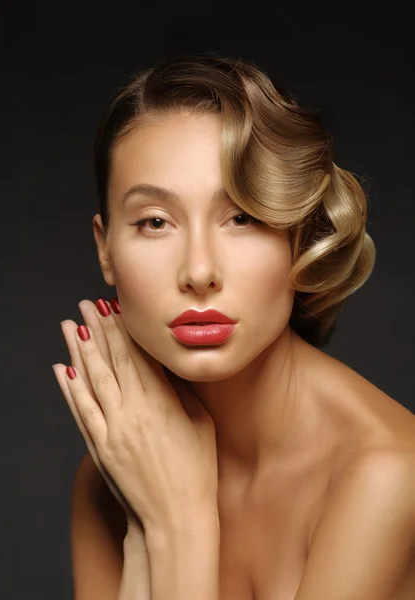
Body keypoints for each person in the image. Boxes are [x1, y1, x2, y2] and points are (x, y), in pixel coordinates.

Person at [53, 54, 415, 600]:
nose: (199, 271)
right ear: (106, 248)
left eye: (241, 217)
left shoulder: (387, 475)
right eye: (155, 222)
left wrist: (179, 528)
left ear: (298, 233)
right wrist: (141, 531)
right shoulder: (119, 468)